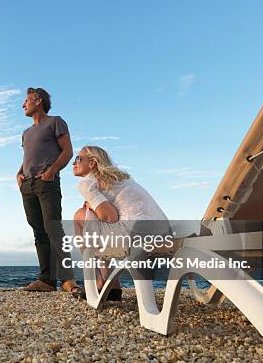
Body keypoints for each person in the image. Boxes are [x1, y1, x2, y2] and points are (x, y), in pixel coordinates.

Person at [72, 145, 170, 301]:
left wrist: (91, 207)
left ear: (92, 163)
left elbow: (109, 216)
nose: (73, 163)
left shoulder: (87, 182)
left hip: (137, 234)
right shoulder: (119, 178)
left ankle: (101, 282)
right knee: (92, 221)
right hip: (163, 232)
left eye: (78, 159)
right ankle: (112, 285)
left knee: (80, 216)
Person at [17, 87, 82, 295]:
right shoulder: (26, 133)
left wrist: (52, 170)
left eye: (26, 100)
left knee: (53, 229)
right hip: (27, 185)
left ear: (38, 101)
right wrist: (19, 174)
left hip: (47, 184)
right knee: (39, 233)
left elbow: (68, 151)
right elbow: (28, 157)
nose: (23, 104)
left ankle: (67, 280)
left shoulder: (55, 122)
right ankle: (46, 280)